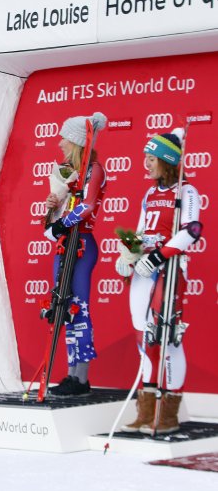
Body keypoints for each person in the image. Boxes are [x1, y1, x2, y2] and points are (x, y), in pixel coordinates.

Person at [116, 129, 201, 434]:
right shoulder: (150, 194)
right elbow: (140, 231)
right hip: (143, 271)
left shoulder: (186, 192)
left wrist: (160, 255)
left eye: (151, 159)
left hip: (169, 269)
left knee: (169, 338)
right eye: (145, 158)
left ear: (167, 161)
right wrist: (127, 251)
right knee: (144, 338)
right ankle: (145, 410)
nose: (146, 164)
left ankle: (167, 415)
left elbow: (192, 230)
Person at [42, 112, 107, 396]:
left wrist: (61, 223)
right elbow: (63, 208)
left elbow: (88, 205)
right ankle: (70, 374)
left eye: (64, 139)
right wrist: (53, 206)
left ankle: (81, 377)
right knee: (64, 306)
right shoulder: (66, 169)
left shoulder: (94, 170)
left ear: (77, 142)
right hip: (64, 243)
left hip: (83, 242)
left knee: (79, 307)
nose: (59, 143)